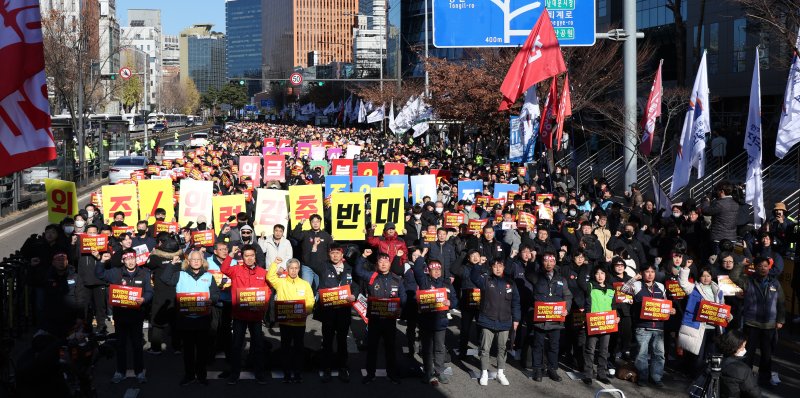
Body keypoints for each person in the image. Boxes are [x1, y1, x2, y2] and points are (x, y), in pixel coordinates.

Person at [160, 250, 220, 386]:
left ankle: (202, 375)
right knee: (188, 350)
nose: (196, 262)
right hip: (185, 319)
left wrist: (212, 300)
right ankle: (189, 375)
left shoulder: (209, 276)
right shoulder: (180, 275)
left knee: (202, 350)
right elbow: (165, 279)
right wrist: (171, 264)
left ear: (203, 261)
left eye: (199, 259)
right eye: (193, 259)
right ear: (188, 261)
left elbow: (216, 293)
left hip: (203, 318)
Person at [95, 249, 153, 384]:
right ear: (123, 260)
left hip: (137, 315)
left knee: (137, 344)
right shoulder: (116, 272)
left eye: (132, 258)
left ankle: (139, 372)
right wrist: (102, 261)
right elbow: (99, 274)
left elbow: (150, 291)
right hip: (120, 315)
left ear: (136, 259)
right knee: (121, 344)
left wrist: (144, 299)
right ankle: (120, 371)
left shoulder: (144, 273)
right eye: (127, 259)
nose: (130, 261)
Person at [730, 257, 785, 387]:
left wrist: (781, 320)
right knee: (748, 353)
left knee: (767, 354)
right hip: (751, 323)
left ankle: (765, 379)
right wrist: (741, 264)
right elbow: (733, 276)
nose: (763, 268)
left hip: (769, 325)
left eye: (765, 266)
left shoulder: (775, 283)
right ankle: (746, 378)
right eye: (760, 266)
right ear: (755, 267)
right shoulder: (748, 281)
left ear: (769, 267)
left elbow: (781, 303)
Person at [220, 244, 271, 384]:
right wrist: (230, 254)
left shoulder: (262, 272)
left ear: (255, 257)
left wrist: (263, 305)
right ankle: (234, 374)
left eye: (252, 256)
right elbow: (223, 269)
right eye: (246, 256)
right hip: (239, 315)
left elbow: (268, 291)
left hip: (255, 316)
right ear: (242, 257)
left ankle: (259, 373)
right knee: (236, 345)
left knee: (258, 345)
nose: (249, 258)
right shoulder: (236, 270)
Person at [355, 248, 406, 384]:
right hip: (375, 320)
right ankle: (370, 374)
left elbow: (404, 297)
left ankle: (392, 373)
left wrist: (399, 307)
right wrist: (363, 256)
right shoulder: (371, 276)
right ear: (377, 264)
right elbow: (358, 271)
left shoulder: (397, 279)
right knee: (372, 348)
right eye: (381, 261)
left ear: (390, 264)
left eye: (386, 261)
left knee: (390, 348)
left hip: (390, 320)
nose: (383, 264)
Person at [621, 263, 675, 388]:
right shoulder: (637, 285)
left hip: (659, 326)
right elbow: (623, 289)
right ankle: (643, 377)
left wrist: (671, 310)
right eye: (647, 271)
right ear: (642, 273)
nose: (650, 274)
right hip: (642, 326)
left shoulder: (661, 286)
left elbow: (666, 303)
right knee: (642, 354)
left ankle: (656, 378)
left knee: (659, 354)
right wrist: (635, 278)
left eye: (652, 271)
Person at [470, 258, 520, 386]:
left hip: (505, 321)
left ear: (504, 267)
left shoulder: (510, 283)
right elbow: (474, 277)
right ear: (491, 267)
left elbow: (515, 302)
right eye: (495, 266)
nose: (497, 268)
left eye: (500, 266)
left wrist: (516, 319)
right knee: (485, 348)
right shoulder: (486, 280)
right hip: (487, 319)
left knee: (502, 348)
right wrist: (478, 264)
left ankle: (500, 372)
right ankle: (484, 372)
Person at [311, 244, 356, 383]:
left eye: (338, 253)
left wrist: (354, 294)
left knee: (342, 341)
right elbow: (311, 262)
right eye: (332, 253)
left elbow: (356, 285)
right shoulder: (323, 266)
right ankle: (327, 369)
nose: (335, 255)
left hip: (343, 311)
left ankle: (343, 368)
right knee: (328, 341)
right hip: (328, 311)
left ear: (342, 255)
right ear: (329, 254)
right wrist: (315, 247)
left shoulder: (349, 268)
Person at [526, 250, 572, 382]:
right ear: (542, 262)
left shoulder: (561, 279)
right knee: (538, 345)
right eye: (546, 261)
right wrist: (532, 259)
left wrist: (566, 310)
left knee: (554, 346)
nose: (548, 263)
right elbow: (528, 274)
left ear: (555, 262)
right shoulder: (537, 276)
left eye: (551, 261)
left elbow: (567, 296)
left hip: (556, 320)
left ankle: (552, 369)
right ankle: (537, 370)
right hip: (540, 319)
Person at [267, 257, 315, 383]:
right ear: (287, 269)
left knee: (299, 348)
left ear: (299, 269)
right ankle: (287, 373)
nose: (293, 271)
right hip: (285, 322)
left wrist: (306, 311)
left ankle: (298, 372)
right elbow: (270, 277)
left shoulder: (305, 284)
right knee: (285, 348)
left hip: (299, 322)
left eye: (296, 268)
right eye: (291, 268)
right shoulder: (281, 282)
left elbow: (310, 300)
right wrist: (275, 263)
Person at [412, 255, 457, 386]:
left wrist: (450, 302)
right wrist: (421, 256)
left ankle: (439, 371)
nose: (436, 271)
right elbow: (417, 270)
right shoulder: (424, 281)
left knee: (439, 348)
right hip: (426, 320)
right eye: (433, 269)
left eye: (439, 269)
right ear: (428, 270)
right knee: (427, 348)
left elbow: (455, 299)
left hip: (441, 321)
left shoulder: (447, 283)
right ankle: (428, 372)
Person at [677, 264, 727, 379]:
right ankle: (696, 378)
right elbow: (683, 283)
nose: (706, 278)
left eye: (708, 276)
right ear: (699, 277)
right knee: (698, 355)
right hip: (699, 327)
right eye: (703, 276)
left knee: (711, 355)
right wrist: (685, 268)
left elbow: (722, 307)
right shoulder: (693, 288)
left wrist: (729, 315)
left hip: (714, 328)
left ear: (712, 277)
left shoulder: (718, 290)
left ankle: (708, 378)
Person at [144, 233, 184, 354]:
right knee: (176, 321)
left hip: (160, 292)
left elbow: (148, 264)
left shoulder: (156, 257)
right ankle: (177, 347)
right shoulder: (180, 256)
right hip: (176, 291)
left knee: (157, 321)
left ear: (161, 243)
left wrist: (151, 253)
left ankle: (156, 347)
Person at [582, 264, 617, 385]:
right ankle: (588, 374)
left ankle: (601, 374)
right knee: (590, 349)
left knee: (604, 350)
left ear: (606, 275)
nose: (600, 276)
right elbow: (587, 303)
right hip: (593, 322)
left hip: (607, 324)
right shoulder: (590, 286)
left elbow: (613, 306)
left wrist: (616, 316)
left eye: (602, 273)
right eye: (597, 273)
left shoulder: (611, 289)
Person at [716, 330, 762, 398]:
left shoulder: (713, 360)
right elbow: (754, 394)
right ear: (735, 348)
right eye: (743, 347)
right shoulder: (743, 370)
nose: (744, 349)